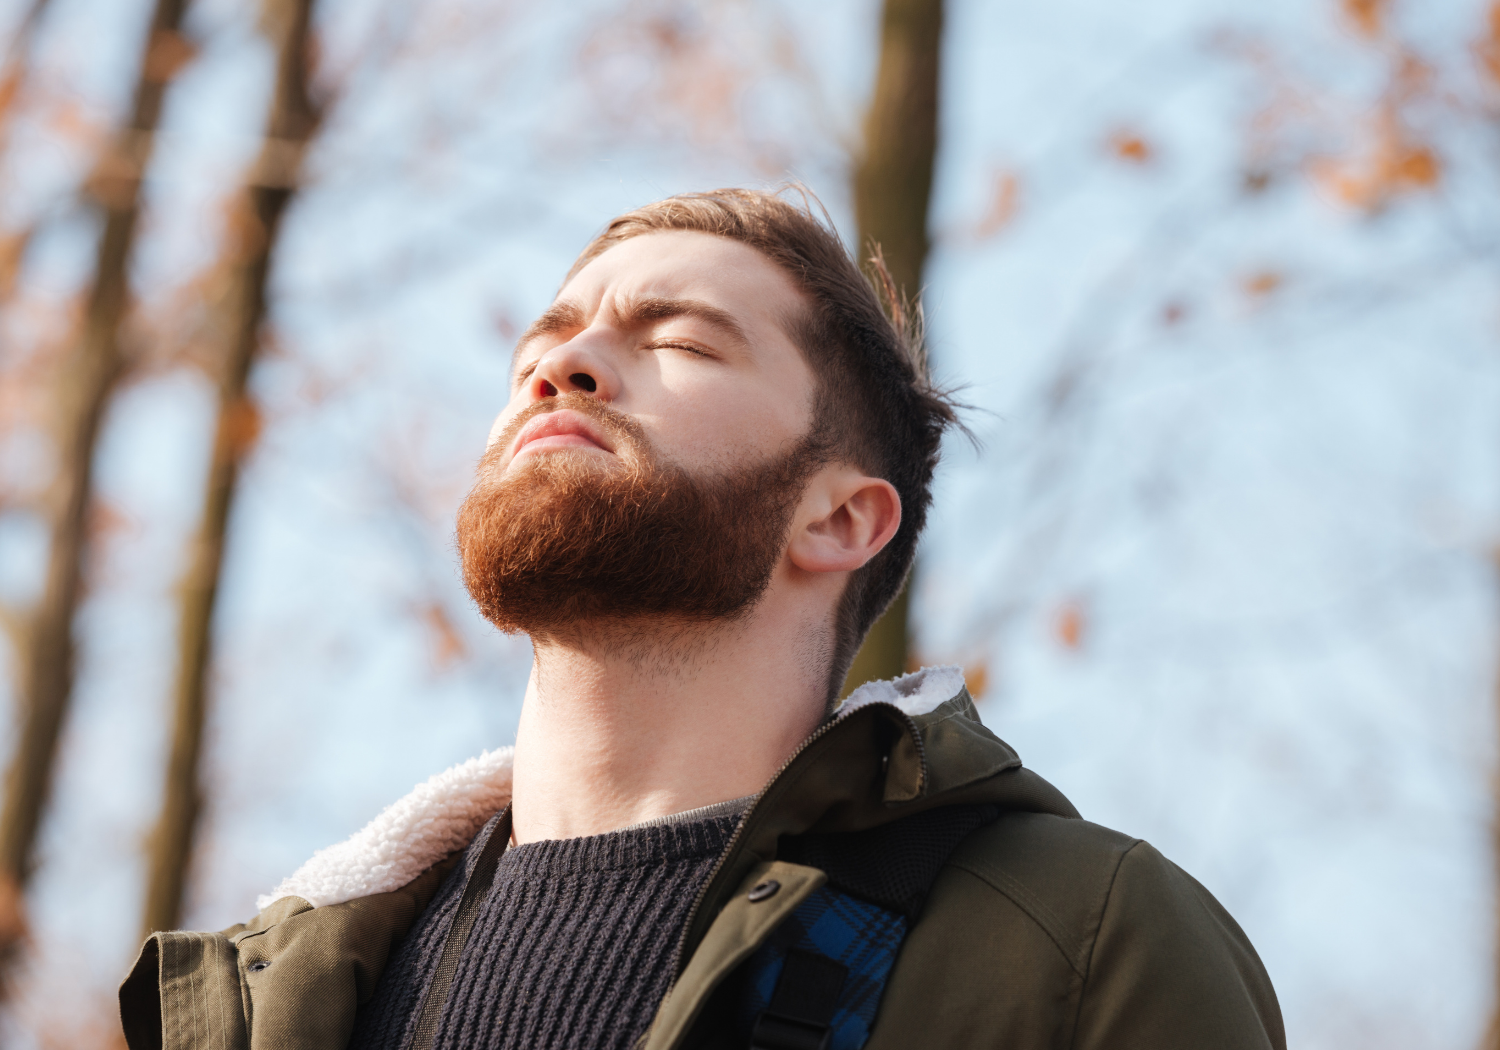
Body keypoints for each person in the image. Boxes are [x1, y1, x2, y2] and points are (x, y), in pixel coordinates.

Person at [119, 188, 1284, 1050]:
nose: (563, 363)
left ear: (838, 520)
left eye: (674, 340)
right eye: (548, 336)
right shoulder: (273, 1001)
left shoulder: (1077, 942)